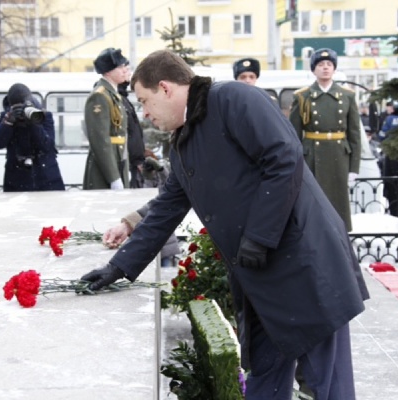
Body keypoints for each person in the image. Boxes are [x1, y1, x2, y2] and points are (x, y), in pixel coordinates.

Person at [82, 49, 369, 399]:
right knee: (264, 378)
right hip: (259, 277)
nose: (144, 113)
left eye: (144, 101)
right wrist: (118, 267)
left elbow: (284, 158)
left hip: (305, 265)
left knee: (328, 383)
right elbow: (165, 209)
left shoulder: (233, 98)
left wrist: (259, 236)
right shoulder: (184, 142)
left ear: (165, 88)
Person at [289, 48, 362, 232]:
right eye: (321, 64)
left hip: (339, 155)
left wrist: (354, 168)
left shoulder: (347, 95)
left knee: (338, 202)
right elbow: (294, 135)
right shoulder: (302, 96)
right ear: (314, 70)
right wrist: (295, 164)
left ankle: (340, 239)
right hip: (312, 155)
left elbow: (354, 134)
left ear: (334, 69)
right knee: (314, 201)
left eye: (329, 64)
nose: (325, 68)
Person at [0, 83, 65, 192]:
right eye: (16, 107)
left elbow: (46, 145)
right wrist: (8, 122)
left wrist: (33, 122)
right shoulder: (6, 116)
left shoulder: (43, 115)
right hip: (16, 179)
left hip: (46, 178)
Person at [83, 48, 130, 190]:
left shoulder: (112, 94)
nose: (124, 70)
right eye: (120, 67)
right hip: (105, 169)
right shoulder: (99, 96)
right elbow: (100, 139)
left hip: (118, 161)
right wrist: (113, 177)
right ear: (108, 71)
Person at [379, 103, 398, 217]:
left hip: (390, 155)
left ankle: (393, 208)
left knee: (391, 183)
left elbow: (382, 134)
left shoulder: (389, 119)